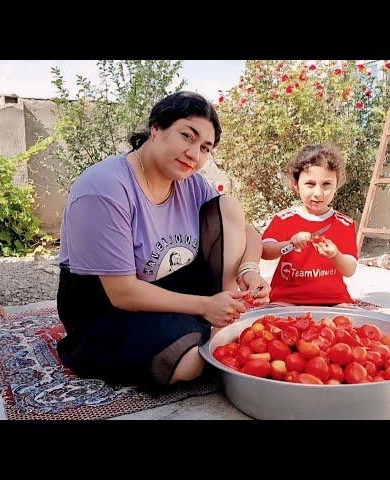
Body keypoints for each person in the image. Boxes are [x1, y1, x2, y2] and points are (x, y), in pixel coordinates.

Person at [56, 91, 270, 389]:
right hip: (106, 306)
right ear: (155, 129)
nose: (195, 155)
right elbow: (122, 293)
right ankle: (210, 324)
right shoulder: (104, 188)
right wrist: (204, 306)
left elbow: (247, 231)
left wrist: (249, 270)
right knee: (188, 360)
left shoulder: (191, 183)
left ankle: (226, 316)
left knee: (228, 206)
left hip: (172, 285)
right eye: (187, 136)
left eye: (205, 148)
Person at [261, 144, 390, 317]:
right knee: (267, 320)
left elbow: (349, 269)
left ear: (337, 185)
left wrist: (335, 255)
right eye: (310, 184)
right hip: (287, 301)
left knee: (351, 324)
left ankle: (378, 315)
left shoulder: (344, 224)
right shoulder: (284, 219)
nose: (318, 193)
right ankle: (375, 314)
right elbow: (265, 251)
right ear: (295, 184)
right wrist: (290, 244)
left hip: (334, 302)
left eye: (326, 184)